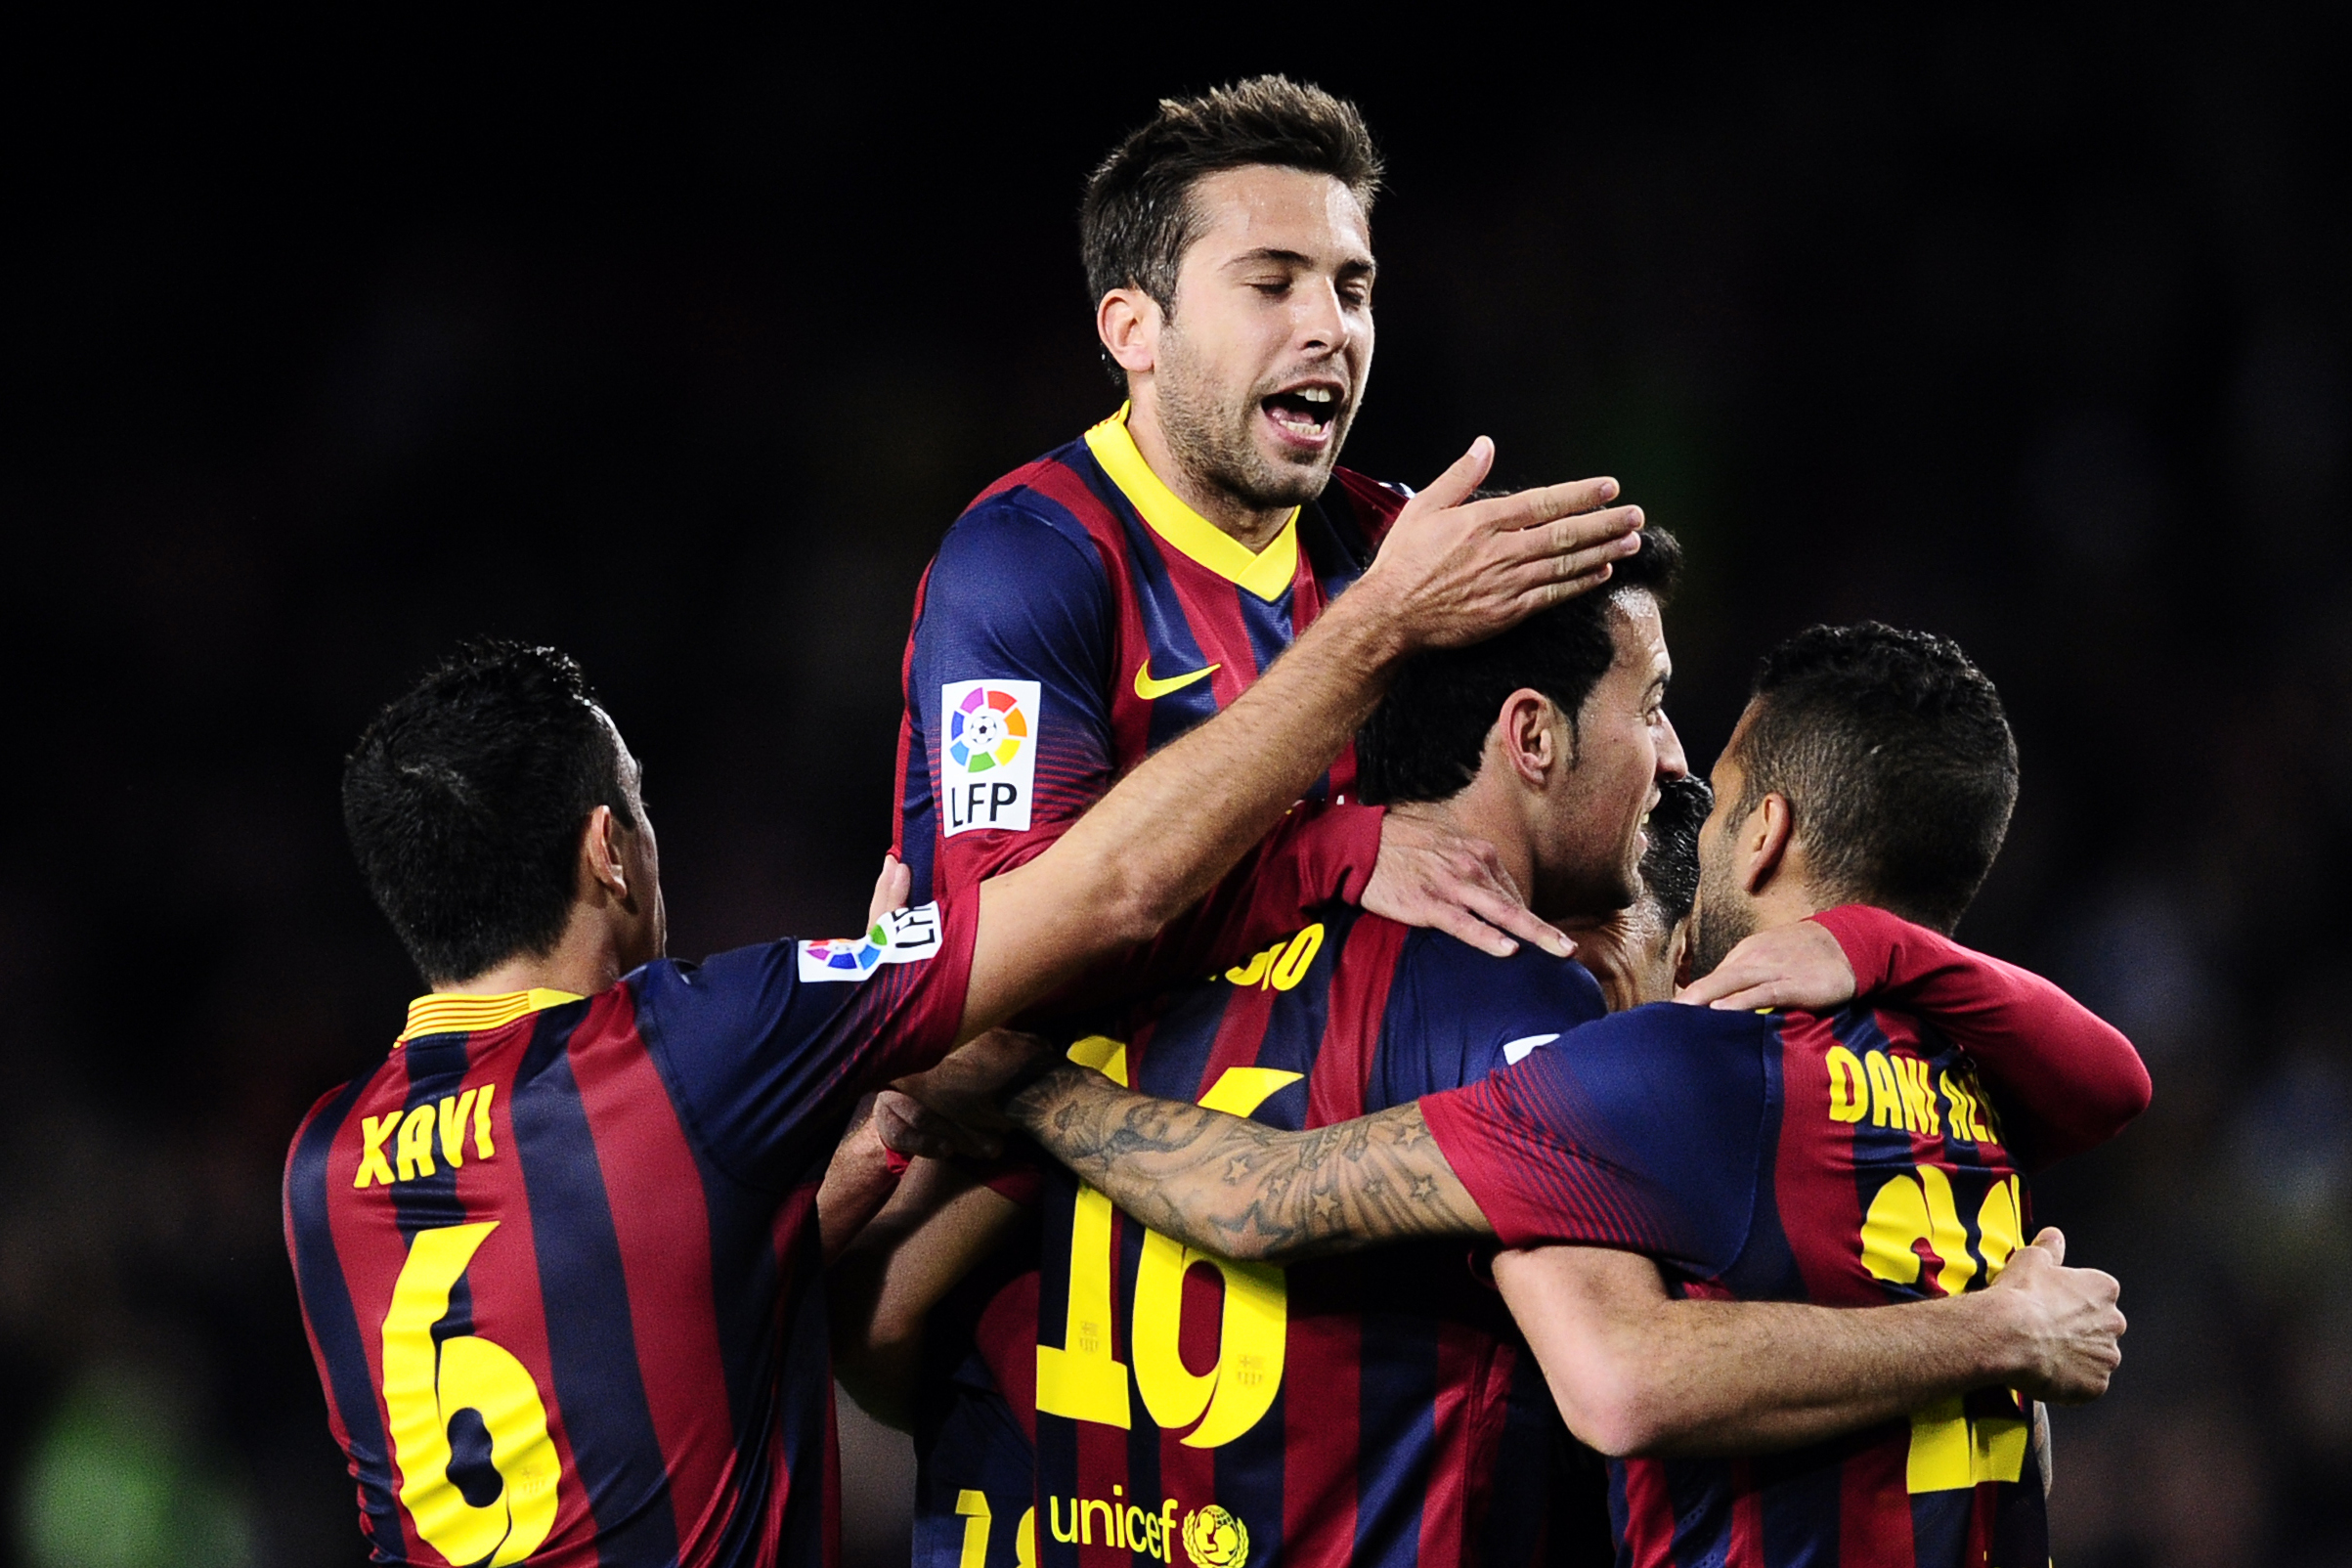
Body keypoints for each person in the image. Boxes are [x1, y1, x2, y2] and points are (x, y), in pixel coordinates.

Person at [278, 459, 1638, 1568]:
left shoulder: (318, 1169)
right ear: (606, 853)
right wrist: (1338, 815)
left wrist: (873, 1144)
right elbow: (1095, 902)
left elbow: (643, 1314)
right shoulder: (699, 1043)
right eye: (639, 806)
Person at [855, 588, 2137, 1568]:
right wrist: (1992, 1326)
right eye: (1651, 709)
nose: (1677, 762)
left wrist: (1023, 1088)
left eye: (1707, 762)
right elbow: (2118, 1085)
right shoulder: (1983, 1096)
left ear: (1771, 836)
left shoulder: (1657, 1071)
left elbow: (1256, 1198)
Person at [893, 74, 1581, 960]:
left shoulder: (1398, 547)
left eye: (1353, 289)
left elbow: (1591, 836)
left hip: (1337, 1092)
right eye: (1272, 284)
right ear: (1133, 331)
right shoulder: (1027, 560)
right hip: (1063, 1095)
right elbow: (1004, 956)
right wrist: (1327, 850)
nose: (1331, 327)